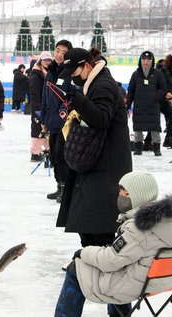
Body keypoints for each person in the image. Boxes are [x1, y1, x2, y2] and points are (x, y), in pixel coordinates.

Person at [54, 172, 172, 317]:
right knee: (124, 264)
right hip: (165, 280)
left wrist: (83, 253)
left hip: (136, 285)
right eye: (120, 192)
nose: (120, 197)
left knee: (75, 268)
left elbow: (110, 261)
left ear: (141, 195)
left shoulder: (139, 228)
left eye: (126, 193)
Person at [56, 47, 132, 250]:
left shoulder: (103, 85)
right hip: (97, 158)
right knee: (87, 217)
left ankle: (99, 263)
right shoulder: (94, 83)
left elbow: (101, 118)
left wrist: (77, 101)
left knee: (99, 220)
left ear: (86, 66)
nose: (73, 78)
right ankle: (91, 260)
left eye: (74, 73)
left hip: (108, 163)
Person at [41, 40, 73, 202]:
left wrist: (63, 109)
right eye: (57, 50)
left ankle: (67, 189)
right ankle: (59, 186)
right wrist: (43, 118)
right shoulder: (51, 71)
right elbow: (45, 96)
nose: (59, 55)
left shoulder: (69, 72)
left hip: (65, 122)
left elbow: (69, 95)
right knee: (53, 155)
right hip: (52, 121)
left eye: (64, 52)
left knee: (62, 155)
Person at [127, 51, 167, 156]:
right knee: (138, 128)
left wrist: (156, 97)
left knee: (155, 128)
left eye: (148, 60)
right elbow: (131, 91)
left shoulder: (157, 74)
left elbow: (163, 88)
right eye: (144, 60)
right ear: (140, 61)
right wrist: (127, 105)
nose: (146, 62)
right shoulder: (135, 74)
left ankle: (157, 149)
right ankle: (138, 148)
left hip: (153, 107)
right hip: (139, 107)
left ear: (152, 61)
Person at [29, 51, 52, 161]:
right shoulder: (36, 74)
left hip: (47, 107)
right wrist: (38, 109)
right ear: (40, 61)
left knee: (48, 129)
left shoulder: (48, 73)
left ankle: (48, 151)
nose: (47, 62)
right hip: (39, 107)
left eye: (49, 60)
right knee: (38, 129)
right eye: (45, 60)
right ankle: (35, 153)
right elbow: (34, 94)